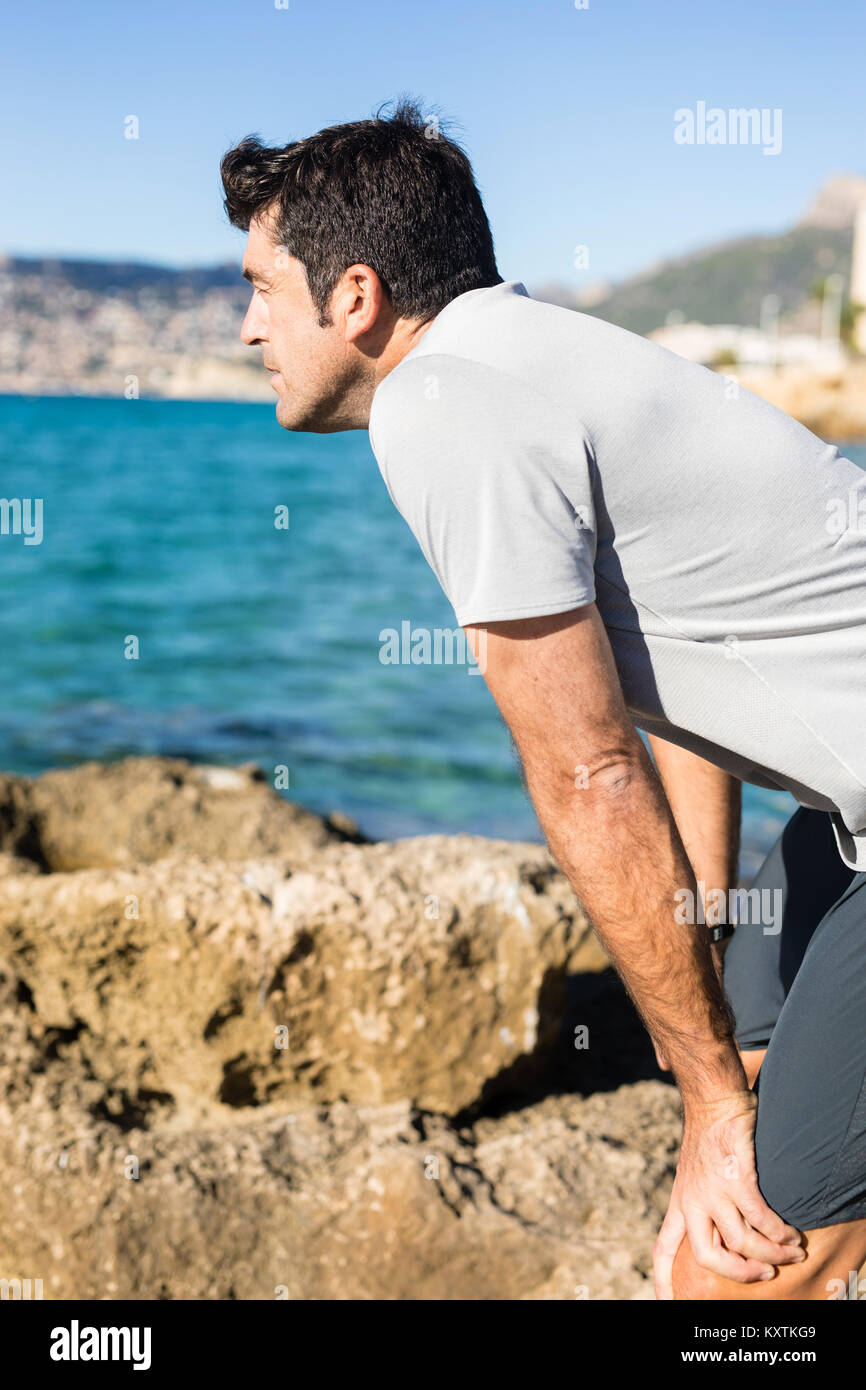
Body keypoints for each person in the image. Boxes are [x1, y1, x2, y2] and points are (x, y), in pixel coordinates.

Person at [220, 98, 866, 1300]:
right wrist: (711, 973)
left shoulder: (443, 403)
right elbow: (665, 711)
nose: (247, 326)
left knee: (729, 1277)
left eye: (261, 286)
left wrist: (708, 1102)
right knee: (763, 1041)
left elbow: (586, 773)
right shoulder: (539, 354)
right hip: (839, 816)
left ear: (352, 295)